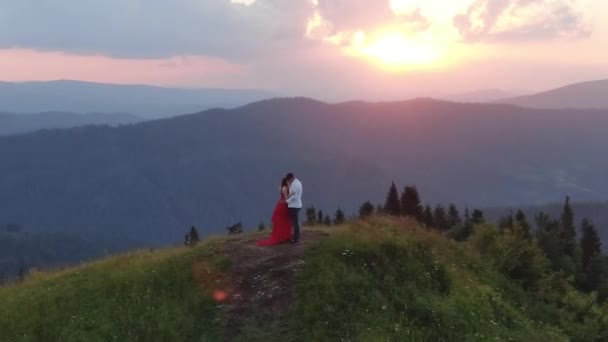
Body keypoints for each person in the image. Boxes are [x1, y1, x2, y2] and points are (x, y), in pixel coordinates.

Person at [256, 177, 293, 246]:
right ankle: (283, 236)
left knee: (283, 221)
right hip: (283, 205)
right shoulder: (284, 188)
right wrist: (292, 194)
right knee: (284, 221)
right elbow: (286, 198)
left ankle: (283, 236)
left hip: (281, 204)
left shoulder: (281, 187)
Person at [285, 173, 303, 243]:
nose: (289, 181)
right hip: (295, 205)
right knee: (295, 222)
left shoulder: (296, 184)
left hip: (294, 206)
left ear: (291, 178)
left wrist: (287, 201)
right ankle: (295, 237)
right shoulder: (296, 183)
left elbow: (295, 196)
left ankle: (295, 239)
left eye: (289, 180)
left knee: (295, 223)